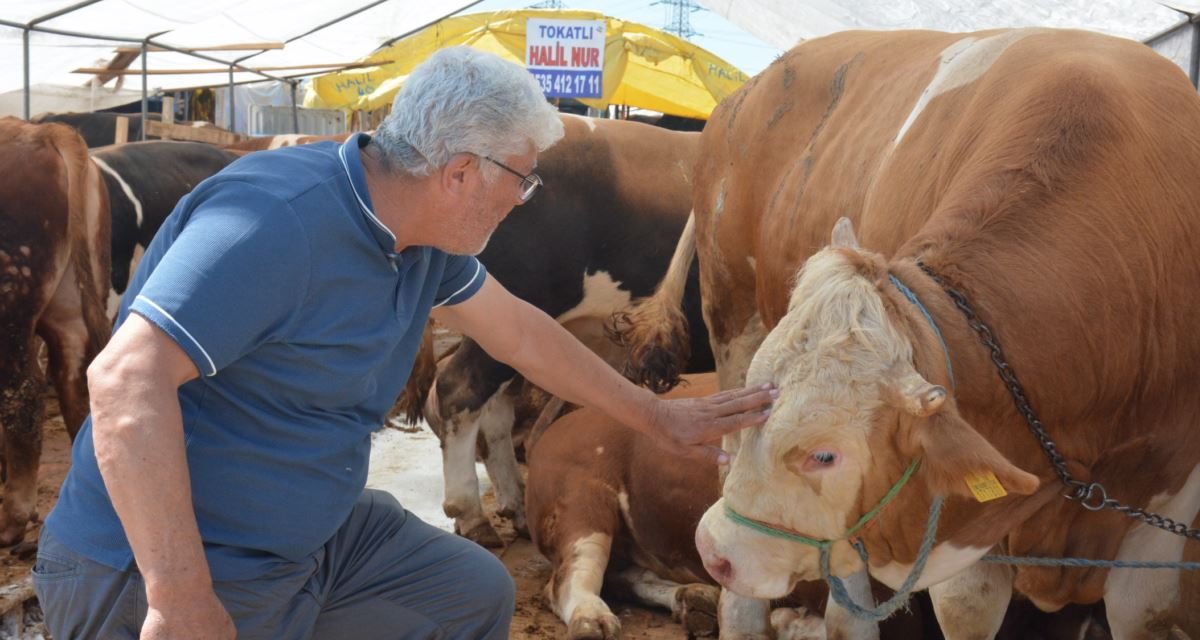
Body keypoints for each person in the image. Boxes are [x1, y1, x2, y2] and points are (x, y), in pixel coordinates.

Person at [33, 47, 774, 640]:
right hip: (170, 561)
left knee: (469, 592)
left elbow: (522, 335)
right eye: (522, 180)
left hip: (309, 541)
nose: (524, 200)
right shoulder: (273, 221)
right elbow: (124, 385)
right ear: (458, 173)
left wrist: (660, 417)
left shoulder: (420, 239)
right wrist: (181, 599)